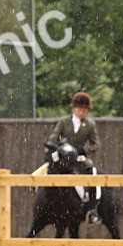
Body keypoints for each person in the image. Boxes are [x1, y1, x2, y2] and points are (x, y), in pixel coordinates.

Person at [47, 91, 100, 222]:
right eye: (80, 109)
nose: (82, 112)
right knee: (46, 168)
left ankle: (92, 208)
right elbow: (53, 138)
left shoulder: (90, 125)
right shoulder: (63, 122)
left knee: (92, 172)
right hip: (63, 156)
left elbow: (96, 144)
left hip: (79, 158)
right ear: (74, 109)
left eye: (84, 110)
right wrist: (59, 148)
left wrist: (84, 150)